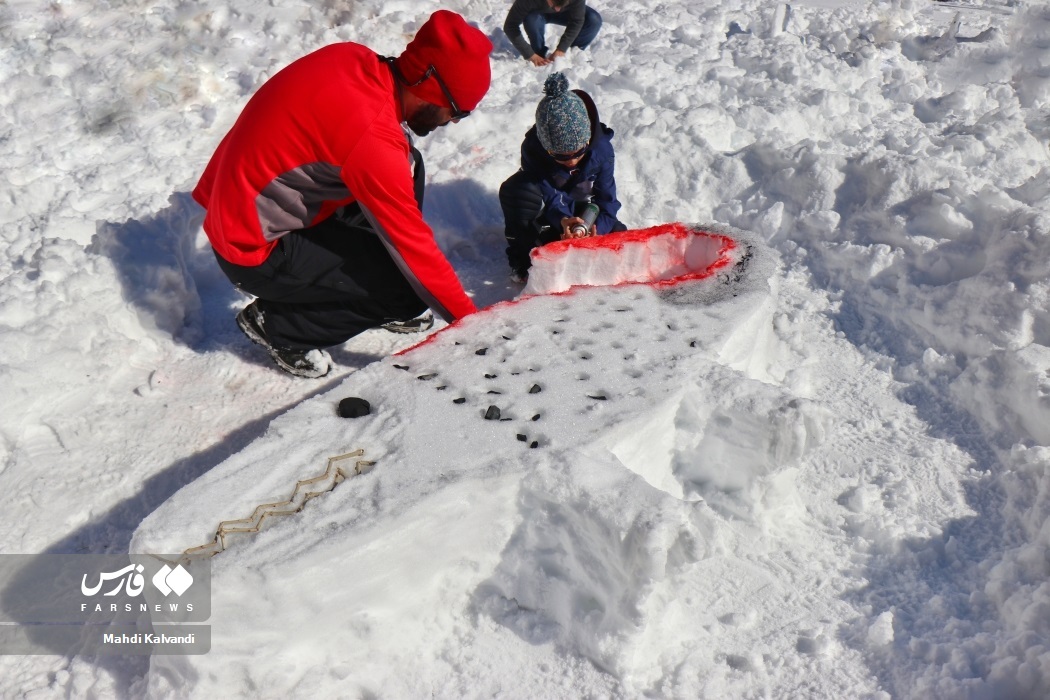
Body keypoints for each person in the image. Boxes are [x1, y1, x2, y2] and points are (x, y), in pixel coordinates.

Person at [192, 11, 493, 378]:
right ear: (431, 88)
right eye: (458, 111)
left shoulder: (351, 58)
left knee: (407, 167)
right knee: (408, 291)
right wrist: (473, 324)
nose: (454, 121)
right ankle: (278, 326)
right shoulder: (372, 140)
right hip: (252, 249)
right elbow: (414, 249)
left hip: (239, 206)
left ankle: (367, 292)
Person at [499, 72, 626, 282]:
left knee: (617, 233)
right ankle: (523, 259)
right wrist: (562, 221)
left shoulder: (602, 150)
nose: (572, 161)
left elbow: (607, 201)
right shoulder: (533, 150)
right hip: (551, 213)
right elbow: (549, 195)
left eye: (578, 153)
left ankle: (577, 250)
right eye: (560, 156)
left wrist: (595, 229)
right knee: (520, 191)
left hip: (583, 213)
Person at [503, 0, 603, 66]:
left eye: (562, 4)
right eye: (554, 3)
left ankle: (573, 54)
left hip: (566, 13)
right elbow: (510, 26)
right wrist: (530, 54)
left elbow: (577, 20)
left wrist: (562, 48)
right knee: (532, 19)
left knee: (594, 20)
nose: (557, 9)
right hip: (537, 14)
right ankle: (538, 54)